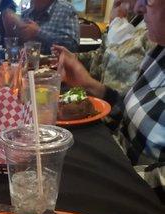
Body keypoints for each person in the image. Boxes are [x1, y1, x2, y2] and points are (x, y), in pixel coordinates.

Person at [53, 0, 165, 202]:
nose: (138, 7)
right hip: (113, 160)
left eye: (149, 1)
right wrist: (90, 84)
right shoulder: (159, 51)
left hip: (140, 198)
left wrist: (111, 179)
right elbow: (127, 113)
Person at [79, 0, 153, 96]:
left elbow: (144, 92)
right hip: (100, 99)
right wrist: (75, 58)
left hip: (118, 107)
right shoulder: (130, 19)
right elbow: (103, 55)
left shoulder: (154, 29)